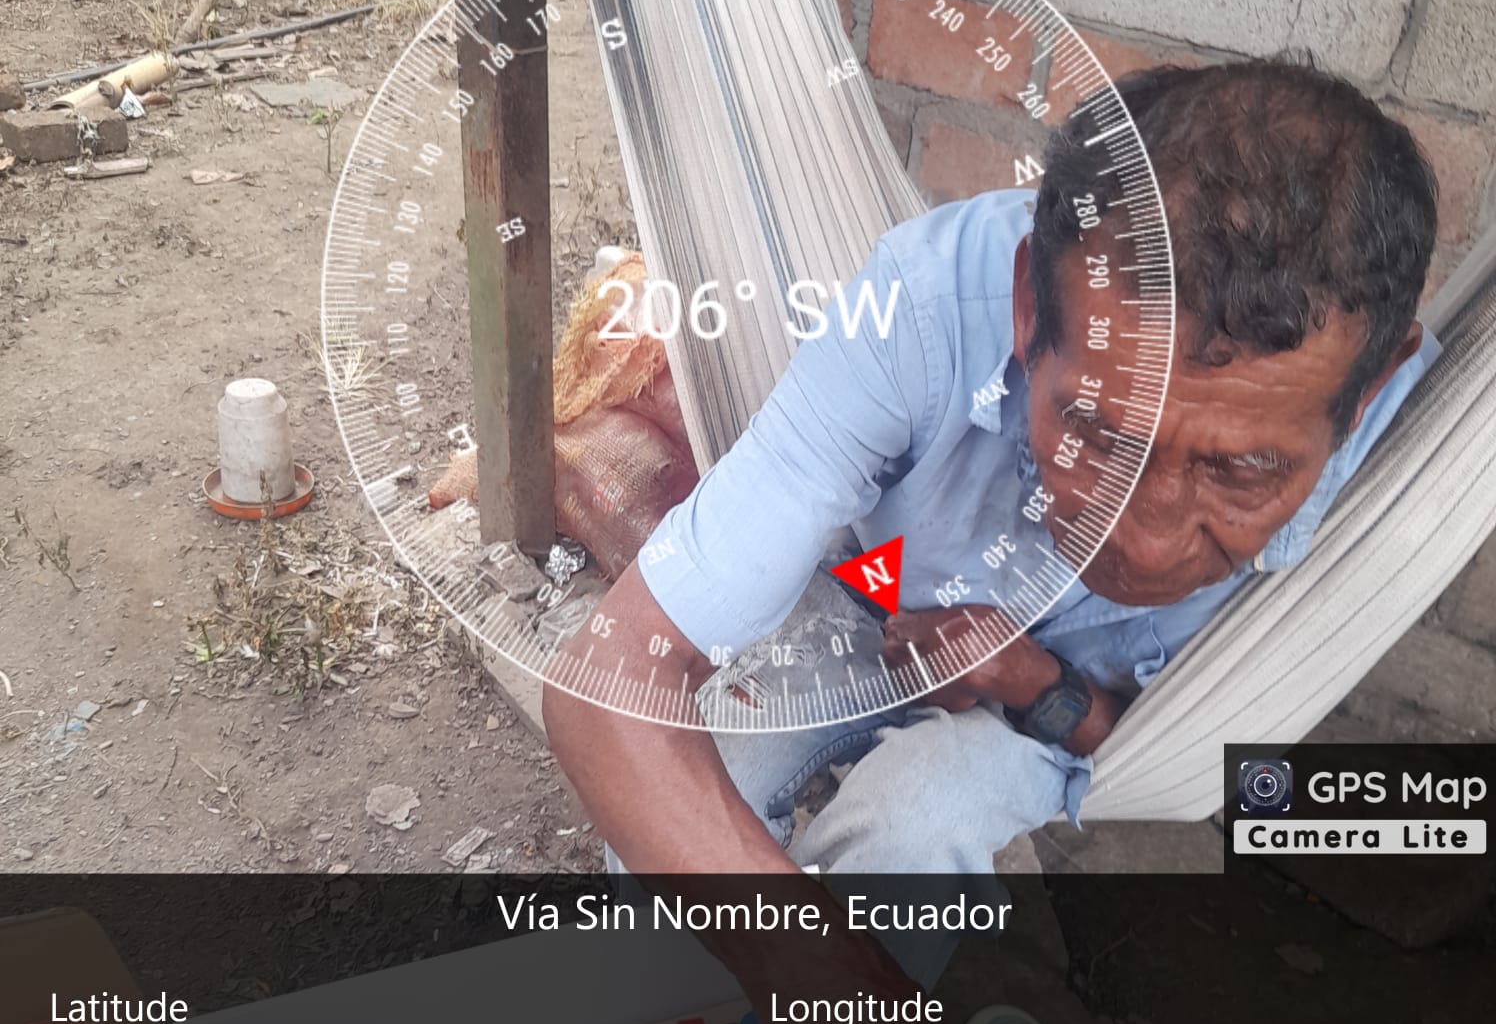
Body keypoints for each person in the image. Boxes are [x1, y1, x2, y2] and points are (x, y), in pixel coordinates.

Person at [544, 59, 1440, 877]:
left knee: (914, 830)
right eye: (1099, 436)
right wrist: (809, 962)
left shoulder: (1408, 456)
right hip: (873, 598)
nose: (1146, 537)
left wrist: (1035, 684)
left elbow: (1188, 760)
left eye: (1239, 470)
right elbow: (613, 681)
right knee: (685, 793)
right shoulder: (916, 313)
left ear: (1364, 397)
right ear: (1025, 311)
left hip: (1054, 710)